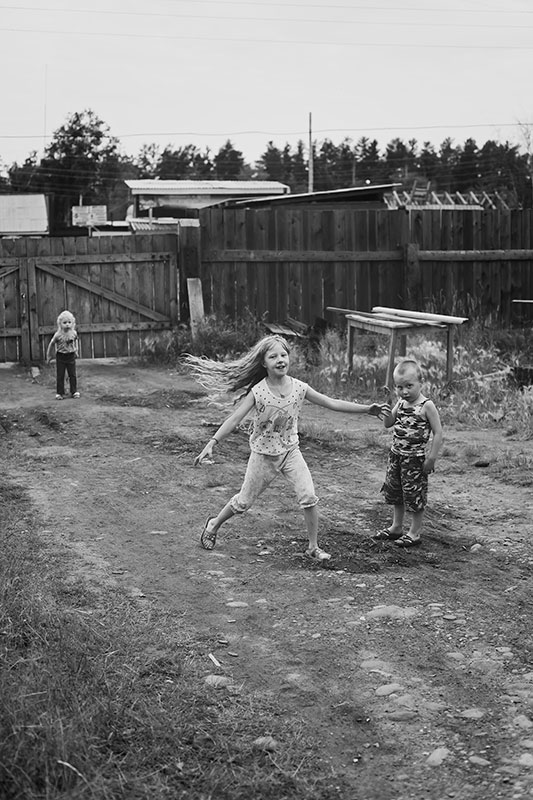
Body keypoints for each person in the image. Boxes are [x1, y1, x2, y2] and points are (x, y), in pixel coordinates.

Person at [188, 334, 390, 562]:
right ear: (263, 363)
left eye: (283, 355)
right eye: (273, 356)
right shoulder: (258, 392)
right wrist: (212, 442)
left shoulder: (299, 388)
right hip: (263, 456)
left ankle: (313, 547)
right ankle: (214, 524)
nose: (280, 360)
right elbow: (234, 419)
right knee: (243, 502)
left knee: (309, 496)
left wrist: (367, 409)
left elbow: (331, 402)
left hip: (291, 452)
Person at [375, 358, 443, 548]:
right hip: (396, 456)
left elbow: (438, 433)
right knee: (395, 492)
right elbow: (388, 423)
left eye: (409, 386)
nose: (404, 391)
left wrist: (431, 458)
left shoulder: (427, 406)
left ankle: (414, 532)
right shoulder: (400, 403)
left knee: (414, 495)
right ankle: (396, 527)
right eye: (399, 387)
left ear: (421, 383)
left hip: (415, 459)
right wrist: (387, 404)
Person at [46, 310, 80, 400]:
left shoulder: (74, 333)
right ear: (60, 324)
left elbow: (76, 340)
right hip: (61, 356)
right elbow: (51, 344)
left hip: (71, 355)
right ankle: (60, 393)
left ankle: (74, 391)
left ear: (73, 323)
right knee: (60, 375)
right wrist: (48, 355)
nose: (67, 324)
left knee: (72, 374)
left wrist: (76, 350)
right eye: (64, 323)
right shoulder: (58, 335)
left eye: (69, 322)